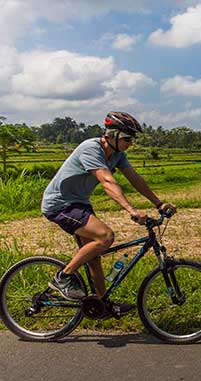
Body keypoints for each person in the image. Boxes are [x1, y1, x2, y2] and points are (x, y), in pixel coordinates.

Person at [41, 111, 176, 319]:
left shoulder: (118, 155)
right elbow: (107, 182)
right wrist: (131, 210)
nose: (131, 143)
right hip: (60, 204)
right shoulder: (91, 149)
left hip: (79, 204)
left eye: (133, 139)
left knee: (93, 257)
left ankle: (102, 304)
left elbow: (134, 178)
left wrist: (159, 203)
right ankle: (63, 277)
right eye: (127, 138)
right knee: (105, 236)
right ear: (112, 135)